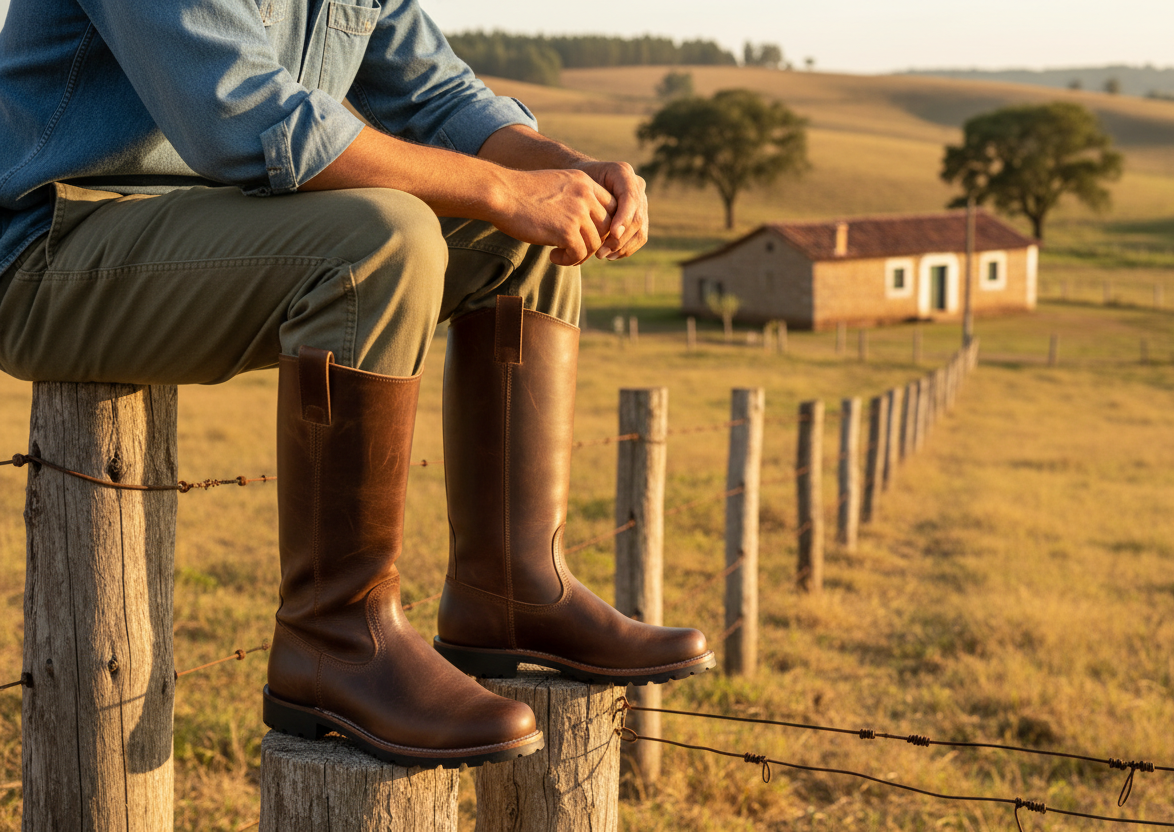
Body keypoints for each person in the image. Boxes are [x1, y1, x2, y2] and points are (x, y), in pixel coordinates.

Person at [0, 0, 714, 767]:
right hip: (57, 252)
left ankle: (514, 590)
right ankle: (333, 640)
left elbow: (438, 99)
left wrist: (557, 170)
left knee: (527, 242)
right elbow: (244, 117)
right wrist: (503, 190)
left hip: (222, 227)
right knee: (382, 238)